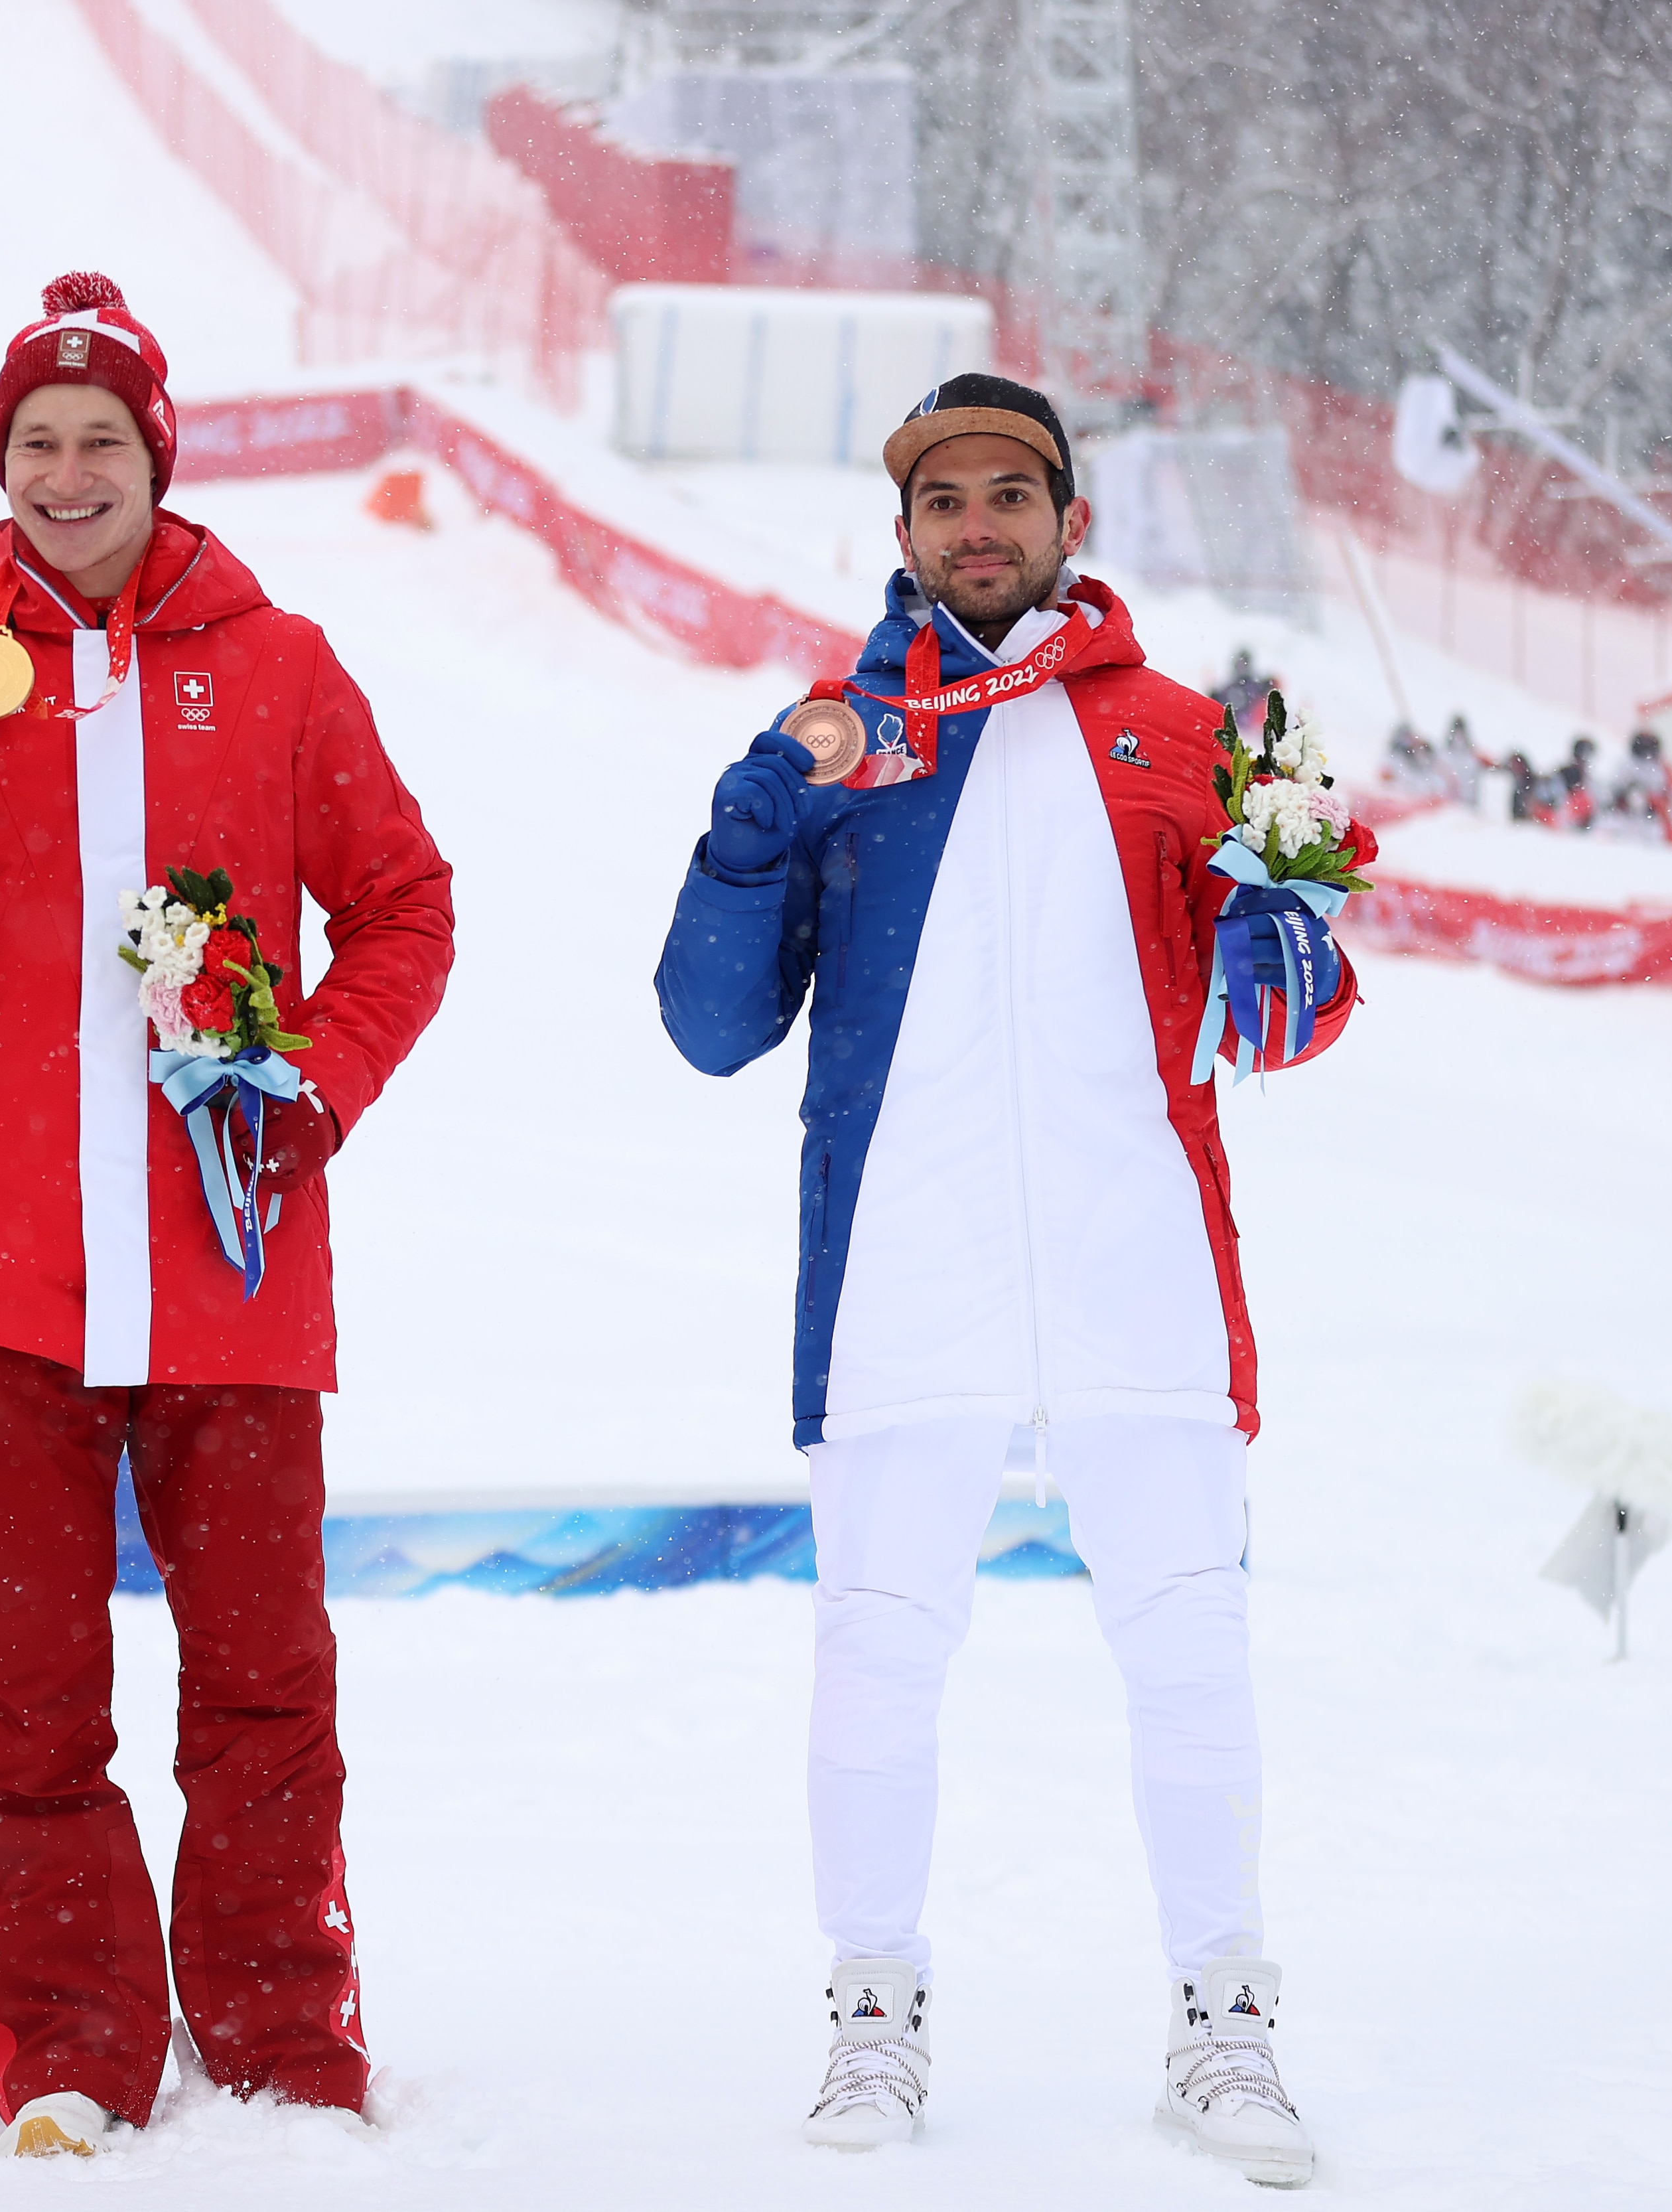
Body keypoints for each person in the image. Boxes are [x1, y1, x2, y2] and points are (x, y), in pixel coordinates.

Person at [0, 274, 453, 2159]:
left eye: (103, 443)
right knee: (34, 1702)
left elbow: (405, 907)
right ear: (1, 466)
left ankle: (280, 2040)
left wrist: (308, 1083)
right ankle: (68, 2045)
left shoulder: (280, 663)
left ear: (161, 458)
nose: (70, 475)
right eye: (37, 445)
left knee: (264, 1687)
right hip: (4, 1284)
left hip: (231, 1269)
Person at [654, 373, 1357, 2187]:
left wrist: (1294, 941)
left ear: (1068, 520)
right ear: (902, 537)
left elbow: (1288, 1014)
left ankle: (1228, 2021)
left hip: (1142, 1279)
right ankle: (872, 2012)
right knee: (877, 1658)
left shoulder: (1186, 732)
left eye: (1009, 495)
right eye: (943, 500)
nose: (978, 525)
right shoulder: (847, 740)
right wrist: (755, 818)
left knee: (1191, 1652)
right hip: (906, 1273)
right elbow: (711, 1024)